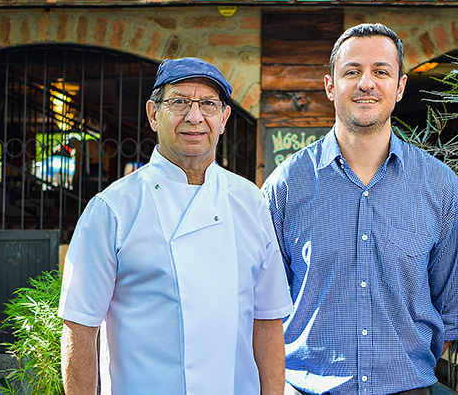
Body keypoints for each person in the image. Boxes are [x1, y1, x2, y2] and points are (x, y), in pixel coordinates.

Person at [59, 57, 293, 395]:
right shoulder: (112, 209)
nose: (194, 117)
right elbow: (80, 326)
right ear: (154, 114)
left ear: (224, 118)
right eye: (179, 102)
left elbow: (268, 321)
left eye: (208, 104)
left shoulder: (250, 202)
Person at [262, 24, 458, 395]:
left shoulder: (439, 186)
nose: (366, 83)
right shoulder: (286, 185)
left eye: (381, 71)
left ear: (400, 87)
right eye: (352, 71)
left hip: (407, 388)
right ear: (330, 86)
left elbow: (450, 309)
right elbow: (263, 305)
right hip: (307, 388)